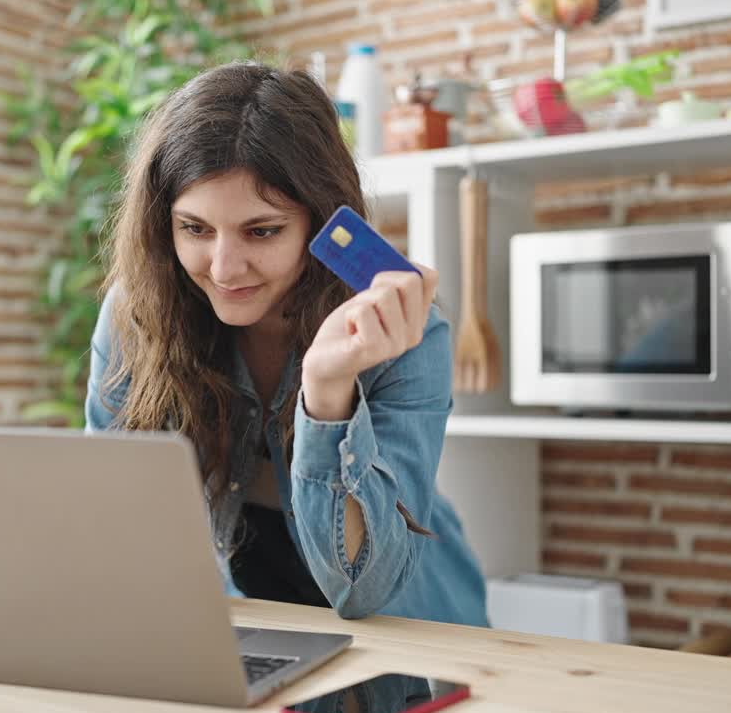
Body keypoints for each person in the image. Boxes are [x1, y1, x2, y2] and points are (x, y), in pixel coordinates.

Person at [85, 62, 487, 626]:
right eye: (195, 229)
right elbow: (110, 518)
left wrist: (327, 390)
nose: (224, 268)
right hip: (245, 626)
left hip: (408, 638)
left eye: (262, 231)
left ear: (321, 221)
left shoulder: (406, 334)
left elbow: (362, 590)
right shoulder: (139, 315)